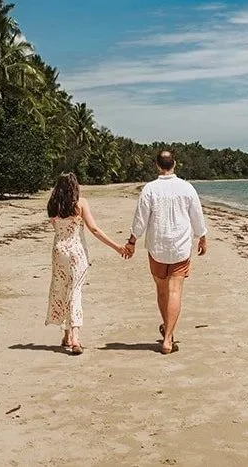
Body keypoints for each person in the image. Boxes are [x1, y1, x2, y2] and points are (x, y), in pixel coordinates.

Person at [121, 151, 207, 354]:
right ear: (174, 164)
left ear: (157, 165)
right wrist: (202, 236)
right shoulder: (187, 188)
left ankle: (166, 329)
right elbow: (197, 215)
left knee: (161, 289)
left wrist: (132, 241)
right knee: (175, 290)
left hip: (157, 247)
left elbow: (140, 220)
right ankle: (168, 339)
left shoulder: (150, 189)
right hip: (180, 247)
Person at [45, 172, 124, 354]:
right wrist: (117, 247)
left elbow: (57, 228)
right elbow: (94, 229)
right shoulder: (80, 203)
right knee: (75, 291)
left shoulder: (53, 205)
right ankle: (75, 338)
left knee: (62, 289)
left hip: (58, 250)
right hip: (76, 252)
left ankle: (66, 334)